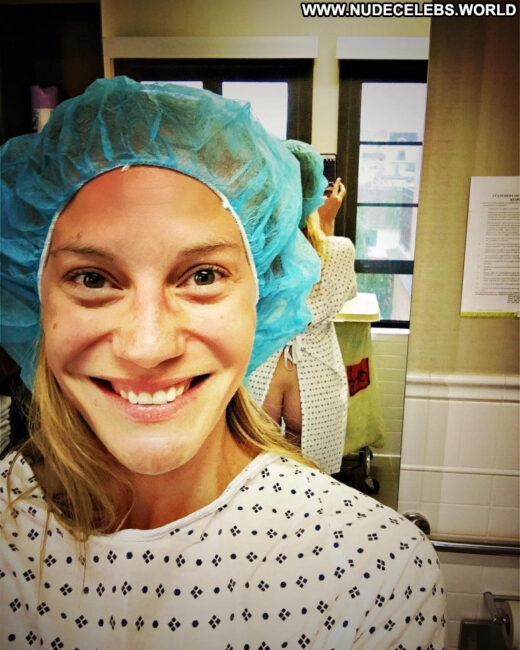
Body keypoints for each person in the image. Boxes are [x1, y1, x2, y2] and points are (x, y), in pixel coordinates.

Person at [0, 76, 446, 649]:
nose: (147, 346)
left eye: (203, 275)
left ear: (266, 293)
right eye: (92, 279)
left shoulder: (370, 572)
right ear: (34, 298)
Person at [247, 142, 356, 475]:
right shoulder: (340, 251)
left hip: (259, 371)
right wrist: (326, 221)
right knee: (311, 484)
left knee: (252, 480)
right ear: (316, 192)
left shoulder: (252, 252)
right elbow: (327, 284)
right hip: (316, 376)